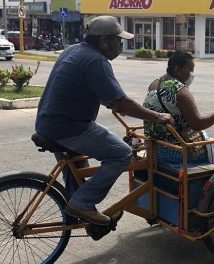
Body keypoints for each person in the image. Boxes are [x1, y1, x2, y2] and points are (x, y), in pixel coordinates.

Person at [35, 16, 173, 226]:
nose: (121, 45)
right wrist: (158, 116)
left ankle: (82, 215)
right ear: (104, 41)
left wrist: (107, 100)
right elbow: (123, 102)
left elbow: (79, 86)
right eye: (118, 41)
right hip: (69, 127)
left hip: (48, 123)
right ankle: (81, 203)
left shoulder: (72, 50)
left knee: (78, 167)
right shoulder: (96, 61)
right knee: (122, 154)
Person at [144, 50, 214, 167]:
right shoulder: (180, 91)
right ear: (177, 69)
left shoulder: (155, 83)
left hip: (154, 148)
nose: (192, 74)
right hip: (176, 152)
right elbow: (198, 124)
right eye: (190, 69)